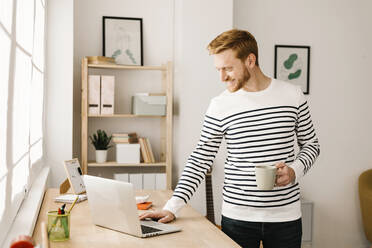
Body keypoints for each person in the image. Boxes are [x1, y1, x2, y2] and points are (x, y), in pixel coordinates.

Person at [139, 29, 320, 248]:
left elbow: (311, 144)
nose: (222, 77)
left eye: (228, 68)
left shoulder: (292, 95)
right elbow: (200, 159)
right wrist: (171, 207)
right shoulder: (220, 105)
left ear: (250, 60)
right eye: (218, 69)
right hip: (237, 218)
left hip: (285, 218)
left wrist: (294, 171)